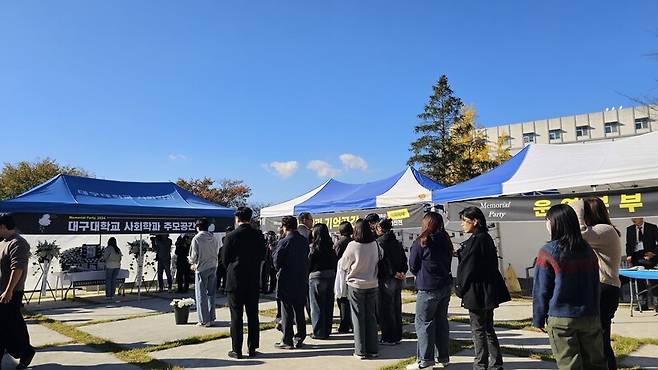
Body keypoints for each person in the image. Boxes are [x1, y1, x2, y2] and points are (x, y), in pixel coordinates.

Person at [533, 204, 607, 370]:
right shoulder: (588, 249)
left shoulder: (548, 251)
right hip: (590, 315)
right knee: (596, 364)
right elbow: (595, 283)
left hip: (561, 318)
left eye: (547, 220)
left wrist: (538, 318)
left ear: (555, 223)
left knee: (569, 365)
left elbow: (541, 289)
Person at [455, 207, 510, 370]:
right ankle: (496, 363)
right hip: (487, 292)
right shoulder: (484, 238)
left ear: (475, 221)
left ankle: (480, 365)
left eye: (464, 221)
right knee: (487, 328)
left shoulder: (477, 240)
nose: (462, 224)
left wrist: (459, 288)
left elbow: (468, 269)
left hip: (477, 292)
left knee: (479, 330)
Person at [570, 198, 622, 370]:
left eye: (585, 212)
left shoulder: (604, 230)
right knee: (597, 339)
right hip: (603, 287)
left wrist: (577, 208)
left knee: (600, 341)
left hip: (604, 288)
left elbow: (578, 234)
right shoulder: (600, 231)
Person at [407, 212, 453, 370]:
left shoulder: (421, 242)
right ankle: (444, 357)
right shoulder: (446, 240)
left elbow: (413, 265)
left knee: (424, 324)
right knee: (441, 322)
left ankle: (425, 360)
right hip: (445, 285)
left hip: (427, 287)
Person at [222, 207, 266, 359]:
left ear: (237, 218)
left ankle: (237, 349)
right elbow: (262, 255)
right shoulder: (258, 235)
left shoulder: (231, 236)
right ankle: (252, 347)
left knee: (236, 316)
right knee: (253, 315)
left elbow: (225, 259)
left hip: (235, 279)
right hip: (252, 278)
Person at [338, 218, 381, 360]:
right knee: (371, 317)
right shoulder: (375, 244)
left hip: (356, 285)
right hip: (372, 283)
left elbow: (343, 265)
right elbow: (381, 256)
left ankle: (360, 350)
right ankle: (373, 349)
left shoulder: (352, 245)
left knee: (358, 318)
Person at [0, 213, 35, 370]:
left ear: (3, 226)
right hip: (1, 291)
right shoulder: (3, 243)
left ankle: (26, 352)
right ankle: (21, 351)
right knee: (5, 327)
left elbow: (17, 269)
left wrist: (9, 291)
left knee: (13, 325)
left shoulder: (18, 243)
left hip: (11, 293)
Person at [273, 216, 310, 349]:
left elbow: (277, 262)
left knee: (287, 310)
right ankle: (300, 336)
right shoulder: (303, 241)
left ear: (284, 226)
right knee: (299, 310)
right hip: (301, 279)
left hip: (287, 279)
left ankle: (287, 339)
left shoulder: (284, 241)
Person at [375, 218, 408, 346]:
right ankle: (397, 335)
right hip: (398, 277)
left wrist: (393, 272)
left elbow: (383, 262)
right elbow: (404, 259)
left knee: (385, 308)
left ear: (380, 229)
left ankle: (388, 337)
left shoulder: (379, 243)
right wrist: (402, 272)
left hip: (386, 278)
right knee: (396, 307)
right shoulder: (397, 242)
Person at [308, 223, 338, 339]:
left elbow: (309, 263)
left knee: (316, 306)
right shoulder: (331, 246)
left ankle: (319, 332)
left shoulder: (313, 247)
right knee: (328, 304)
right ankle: (327, 329)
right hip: (330, 275)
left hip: (316, 276)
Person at [189, 219, 219, 327]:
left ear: (197, 227)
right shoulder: (213, 238)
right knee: (211, 293)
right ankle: (212, 317)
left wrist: (192, 263)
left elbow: (193, 256)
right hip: (214, 266)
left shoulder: (196, 238)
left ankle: (204, 319)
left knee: (201, 294)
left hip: (202, 268)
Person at [625, 217, 658, 309]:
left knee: (653, 279)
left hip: (649, 255)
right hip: (636, 256)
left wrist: (654, 253)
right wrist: (629, 255)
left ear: (641, 218)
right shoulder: (630, 229)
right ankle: (643, 303)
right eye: (633, 218)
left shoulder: (652, 227)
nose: (634, 219)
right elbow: (628, 244)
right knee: (640, 280)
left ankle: (656, 302)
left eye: (636, 217)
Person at [334, 221, 354, 333]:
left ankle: (344, 324)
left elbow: (335, 258)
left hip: (341, 273)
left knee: (342, 300)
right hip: (352, 273)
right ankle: (351, 323)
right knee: (349, 300)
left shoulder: (339, 243)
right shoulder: (353, 242)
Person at [217, 226, 234, 294]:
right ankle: (218, 287)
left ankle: (224, 288)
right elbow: (219, 256)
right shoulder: (221, 248)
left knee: (225, 278)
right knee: (219, 276)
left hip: (228, 264)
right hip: (221, 264)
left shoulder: (232, 244)